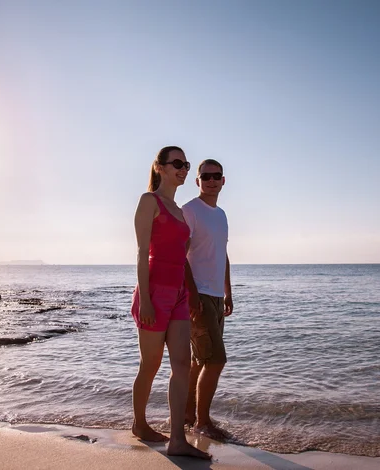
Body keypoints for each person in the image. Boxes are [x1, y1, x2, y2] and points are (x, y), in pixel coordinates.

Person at [130, 146, 210, 460]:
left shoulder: (179, 211)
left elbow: (183, 254)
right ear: (160, 167)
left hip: (179, 294)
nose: (183, 168)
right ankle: (140, 424)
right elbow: (141, 253)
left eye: (186, 164)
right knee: (150, 365)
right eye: (177, 163)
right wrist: (146, 299)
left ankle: (177, 439)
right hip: (154, 291)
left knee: (181, 367)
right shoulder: (149, 201)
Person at [183, 158, 233, 439]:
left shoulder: (222, 215)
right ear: (198, 180)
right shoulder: (190, 211)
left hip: (215, 295)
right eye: (206, 176)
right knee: (216, 361)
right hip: (198, 296)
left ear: (223, 180)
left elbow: (222, 255)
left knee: (200, 360)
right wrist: (191, 296)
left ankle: (189, 415)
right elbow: (180, 256)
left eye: (216, 176)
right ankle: (203, 422)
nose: (211, 180)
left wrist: (228, 291)